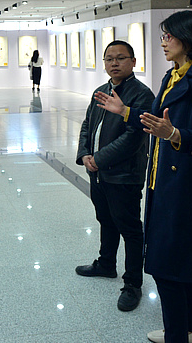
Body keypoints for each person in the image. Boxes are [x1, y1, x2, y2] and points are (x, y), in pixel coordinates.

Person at [95, 11, 192, 343]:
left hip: (187, 186)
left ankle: (176, 336)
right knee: (177, 265)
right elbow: (156, 120)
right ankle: (190, 330)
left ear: (189, 38)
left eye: (168, 36)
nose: (164, 43)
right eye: (163, 37)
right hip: (163, 182)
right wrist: (125, 111)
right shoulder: (174, 75)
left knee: (169, 267)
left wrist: (175, 134)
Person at [75, 40, 154, 312]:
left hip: (124, 175)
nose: (114, 63)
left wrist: (99, 159)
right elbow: (88, 125)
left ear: (133, 62)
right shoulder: (101, 91)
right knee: (105, 219)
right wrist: (85, 154)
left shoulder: (141, 95)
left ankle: (133, 283)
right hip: (98, 174)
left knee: (130, 228)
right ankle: (106, 263)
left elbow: (134, 138)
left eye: (121, 58)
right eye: (109, 59)